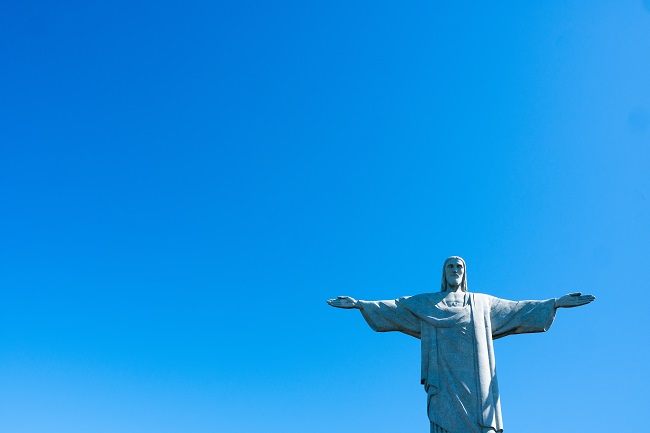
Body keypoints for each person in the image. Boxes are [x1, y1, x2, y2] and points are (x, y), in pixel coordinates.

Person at [327, 256, 595, 433]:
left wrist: (555, 303)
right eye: (450, 266)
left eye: (459, 267)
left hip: (477, 380)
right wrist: (361, 304)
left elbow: (517, 309)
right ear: (443, 273)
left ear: (465, 273)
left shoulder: (481, 302)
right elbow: (396, 307)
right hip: (443, 377)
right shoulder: (426, 303)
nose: (455, 270)